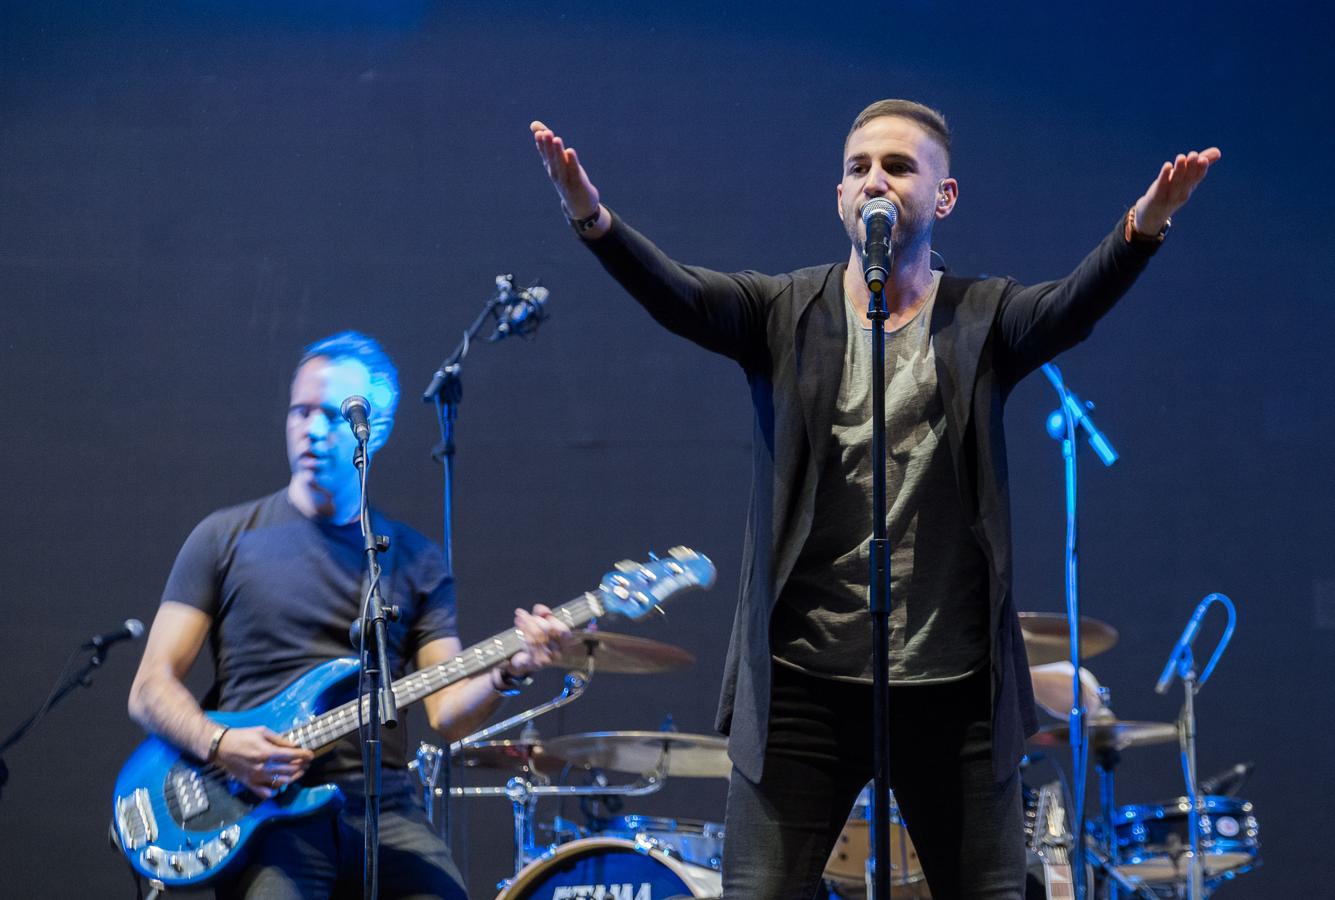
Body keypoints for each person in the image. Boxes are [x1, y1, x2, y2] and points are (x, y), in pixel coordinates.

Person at [531, 101, 1219, 898]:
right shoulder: (782, 310)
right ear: (838, 196)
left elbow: (1071, 306)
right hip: (802, 686)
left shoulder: (982, 316)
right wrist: (592, 218)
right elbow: (678, 294)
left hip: (951, 687)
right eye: (858, 168)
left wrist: (1142, 227)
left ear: (944, 195)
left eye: (897, 166)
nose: (874, 182)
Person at [128, 330, 570, 899]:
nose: (310, 429)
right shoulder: (223, 538)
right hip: (262, 810)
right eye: (300, 411)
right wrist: (218, 744)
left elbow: (449, 711)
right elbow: (148, 689)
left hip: (384, 808)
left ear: (374, 430)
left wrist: (510, 668)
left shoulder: (414, 560)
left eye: (333, 416)